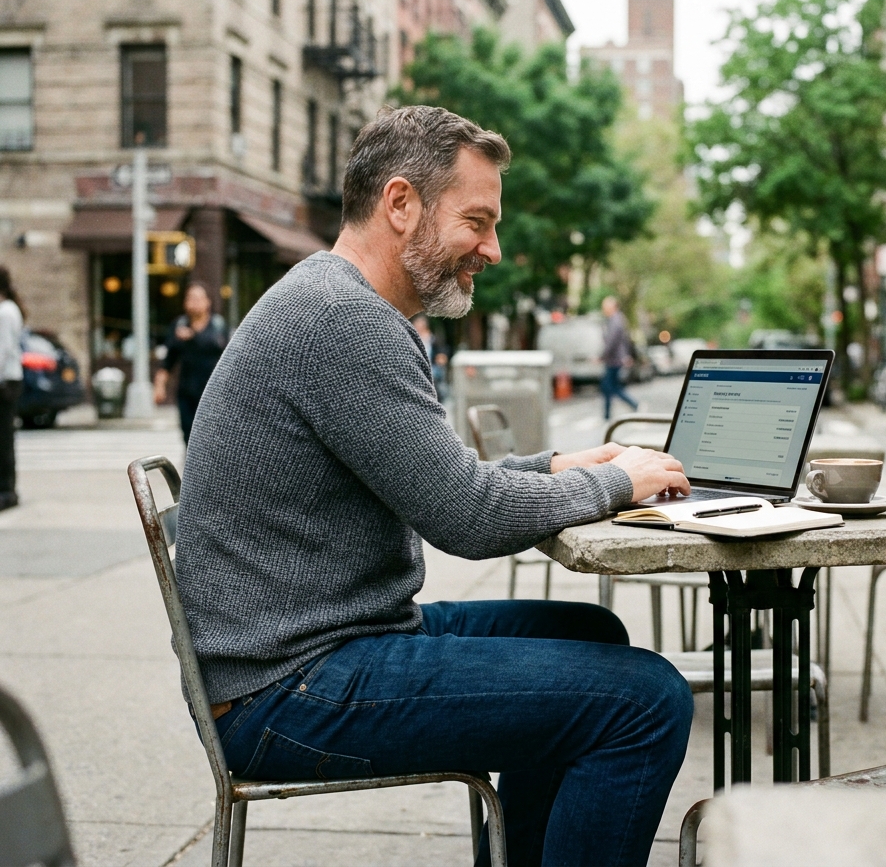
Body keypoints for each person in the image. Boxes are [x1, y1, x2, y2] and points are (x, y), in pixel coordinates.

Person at [173, 106, 693, 867]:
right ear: (400, 203)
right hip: (285, 691)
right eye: (477, 221)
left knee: (592, 637)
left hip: (302, 649)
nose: (494, 248)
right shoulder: (339, 321)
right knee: (643, 701)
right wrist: (618, 480)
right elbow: (470, 518)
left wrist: (559, 467)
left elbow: (445, 478)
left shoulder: (339, 304)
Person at [154, 283, 228, 445]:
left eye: (198, 298)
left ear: (207, 302)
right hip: (187, 391)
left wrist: (193, 336)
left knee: (212, 435)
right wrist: (160, 385)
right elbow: (168, 359)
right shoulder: (179, 326)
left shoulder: (217, 325)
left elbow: (220, 348)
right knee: (189, 435)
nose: (194, 302)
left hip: (213, 392)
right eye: (190, 298)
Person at [0, 267, 23, 511]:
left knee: (4, 437)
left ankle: (7, 490)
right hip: (9, 379)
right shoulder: (8, 309)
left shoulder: (6, 311)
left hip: (6, 381)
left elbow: (3, 349)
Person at [600, 295, 639, 419]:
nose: (604, 309)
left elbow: (612, 342)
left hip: (614, 360)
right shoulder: (616, 319)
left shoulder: (616, 320)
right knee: (608, 387)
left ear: (612, 307)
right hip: (614, 359)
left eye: (605, 306)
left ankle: (634, 404)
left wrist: (602, 356)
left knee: (611, 387)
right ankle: (606, 415)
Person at [412, 313, 450, 401]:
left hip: (432, 366)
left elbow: (442, 352)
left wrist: (441, 357)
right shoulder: (411, 338)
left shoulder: (433, 339)